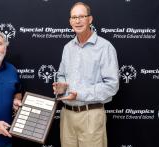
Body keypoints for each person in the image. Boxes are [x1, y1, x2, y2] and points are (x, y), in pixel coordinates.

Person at [53, 2, 119, 147]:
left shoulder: (104, 47)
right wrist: (61, 86)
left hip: (91, 115)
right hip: (67, 116)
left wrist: (79, 95)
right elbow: (62, 75)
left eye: (82, 16)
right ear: (70, 21)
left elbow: (112, 86)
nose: (77, 21)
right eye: (74, 17)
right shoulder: (68, 48)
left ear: (90, 19)